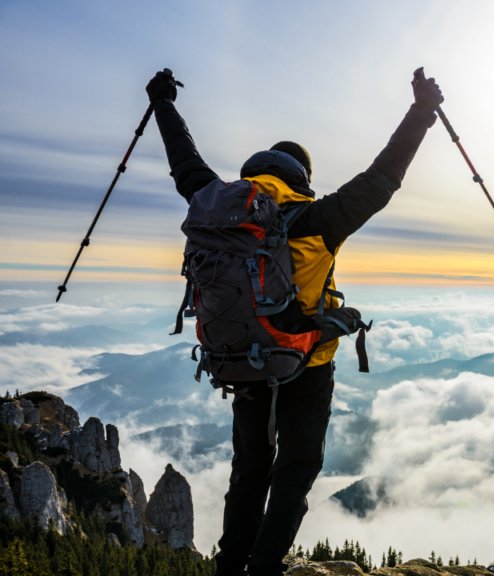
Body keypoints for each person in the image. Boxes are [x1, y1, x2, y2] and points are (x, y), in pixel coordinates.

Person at [145, 67, 444, 576]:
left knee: (250, 472)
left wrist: (163, 102)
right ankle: (264, 568)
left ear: (256, 171)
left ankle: (230, 566)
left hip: (241, 359)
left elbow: (184, 162)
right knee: (295, 471)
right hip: (306, 364)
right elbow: (382, 178)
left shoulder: (213, 203)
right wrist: (421, 112)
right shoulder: (316, 219)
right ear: (301, 177)